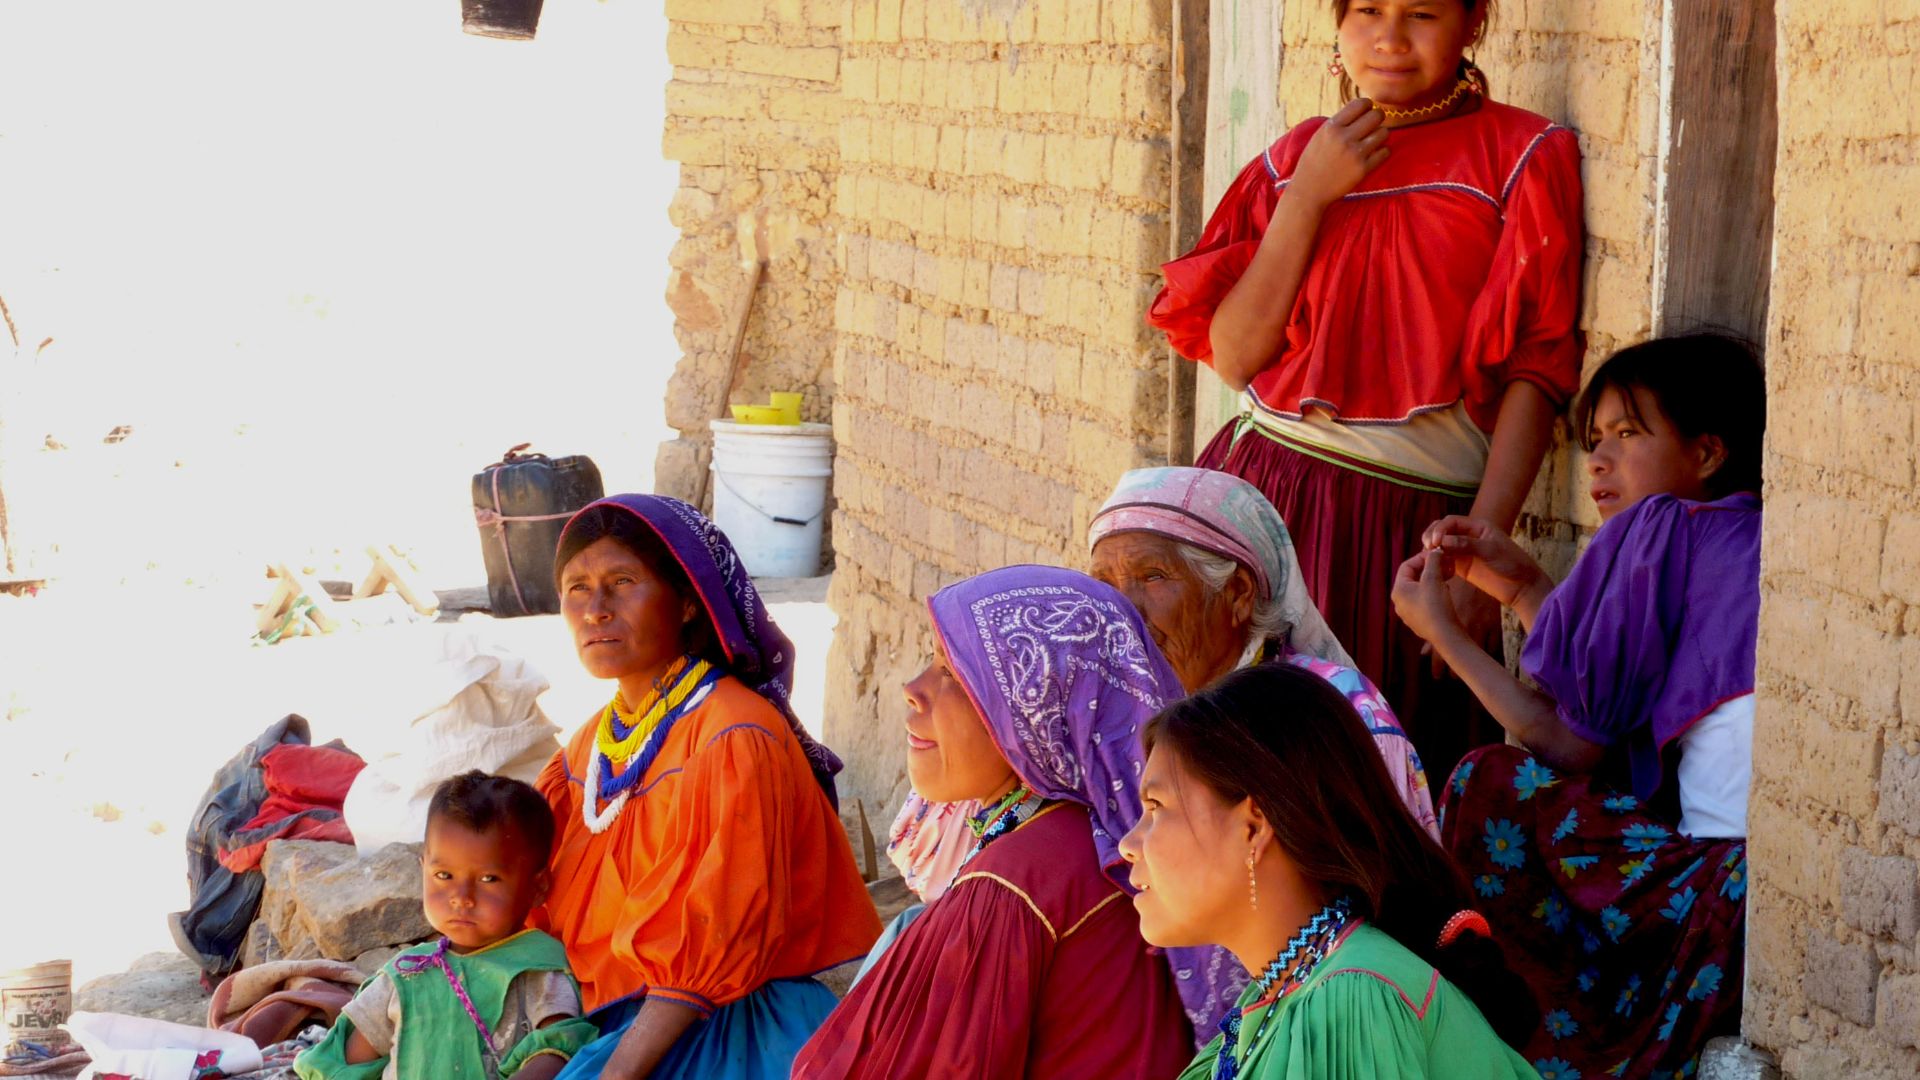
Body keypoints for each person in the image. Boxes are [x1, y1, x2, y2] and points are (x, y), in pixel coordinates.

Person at [1147, 0, 1584, 786]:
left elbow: (1537, 369)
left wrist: (1479, 557)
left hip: (1403, 528)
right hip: (1260, 500)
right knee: (1234, 770)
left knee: (1377, 777)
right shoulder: (1296, 160)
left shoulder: (1520, 156)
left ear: (1474, 23)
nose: (1389, 38)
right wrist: (1309, 194)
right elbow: (1237, 357)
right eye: (1368, 10)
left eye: (1422, 13)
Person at [1390, 333, 1764, 1075]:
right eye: (1594, 439)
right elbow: (1609, 692)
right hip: (1748, 897)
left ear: (1707, 453)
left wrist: (1446, 636)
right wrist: (1521, 587)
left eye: (1628, 433)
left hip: (1710, 893)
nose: (1598, 460)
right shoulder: (1741, 535)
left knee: (1489, 781)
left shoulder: (1658, 527)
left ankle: (1515, 1026)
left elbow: (1575, 744)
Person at [792, 567, 1195, 1078]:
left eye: (954, 674)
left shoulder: (1015, 881)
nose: (913, 689)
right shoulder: (1089, 840)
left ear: (1038, 706)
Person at [530, 495, 880, 1079]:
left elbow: (713, 948)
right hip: (612, 1019)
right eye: (577, 588)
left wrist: (612, 1073)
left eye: (623, 582)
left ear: (689, 601)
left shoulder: (734, 734)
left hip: (727, 1025)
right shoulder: (592, 747)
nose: (596, 610)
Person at [1119, 663, 1538, 1078]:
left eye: (1155, 808)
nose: (1126, 845)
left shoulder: (1351, 999)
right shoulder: (1282, 1002)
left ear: (1253, 826)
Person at [1087, 466, 1436, 837]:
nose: (1122, 611)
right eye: (1104, 584)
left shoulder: (1332, 711)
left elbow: (1388, 865)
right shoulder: (1095, 710)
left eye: (1152, 576)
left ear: (1238, 592)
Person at [295, 771, 597, 1080]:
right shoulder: (406, 974)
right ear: (423, 868)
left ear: (538, 888)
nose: (461, 898)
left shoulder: (539, 968)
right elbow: (348, 1064)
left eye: (488, 879)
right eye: (444, 875)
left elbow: (558, 1050)